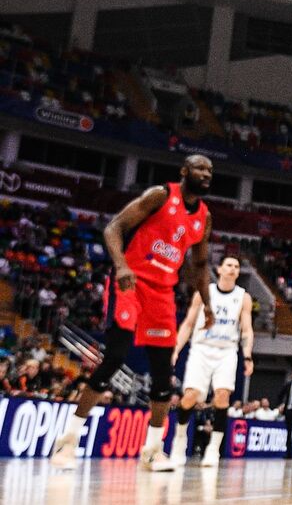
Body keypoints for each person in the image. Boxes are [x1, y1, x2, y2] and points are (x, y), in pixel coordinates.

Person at [51, 155, 216, 471]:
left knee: (163, 376)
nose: (206, 173)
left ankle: (153, 451)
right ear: (184, 171)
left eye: (210, 170)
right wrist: (122, 265)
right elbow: (114, 227)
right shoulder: (160, 195)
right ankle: (67, 442)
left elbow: (200, 265)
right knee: (114, 357)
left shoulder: (204, 218)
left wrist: (207, 304)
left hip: (162, 295)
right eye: (200, 167)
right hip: (131, 283)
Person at [170, 254, 254, 468]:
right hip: (201, 348)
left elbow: (247, 329)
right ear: (219, 269)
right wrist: (176, 349)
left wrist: (247, 355)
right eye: (229, 265)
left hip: (227, 351)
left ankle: (213, 449)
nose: (233, 269)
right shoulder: (204, 292)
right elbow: (188, 324)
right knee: (190, 397)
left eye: (236, 266)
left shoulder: (243, 297)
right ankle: (180, 439)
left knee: (222, 396)